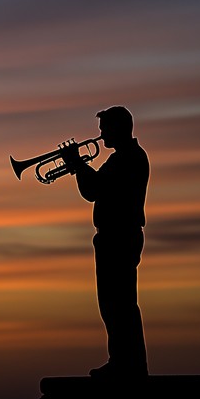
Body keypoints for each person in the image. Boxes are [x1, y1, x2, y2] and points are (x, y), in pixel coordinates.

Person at [61, 105, 149, 379]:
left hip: (118, 236)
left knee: (117, 304)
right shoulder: (124, 158)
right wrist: (78, 166)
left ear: (118, 128)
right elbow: (95, 189)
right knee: (115, 304)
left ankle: (127, 365)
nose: (100, 135)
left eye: (104, 129)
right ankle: (124, 362)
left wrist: (76, 164)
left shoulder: (127, 159)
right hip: (117, 235)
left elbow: (93, 190)